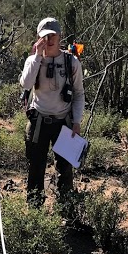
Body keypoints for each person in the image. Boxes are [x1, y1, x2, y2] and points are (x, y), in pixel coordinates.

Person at [19, 17, 85, 207]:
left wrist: (77, 121)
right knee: (36, 167)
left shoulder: (71, 62)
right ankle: (35, 209)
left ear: (60, 36)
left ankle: (65, 209)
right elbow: (26, 83)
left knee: (64, 168)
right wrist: (38, 57)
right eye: (45, 36)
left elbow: (79, 93)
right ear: (39, 38)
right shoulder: (33, 60)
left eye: (52, 35)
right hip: (39, 120)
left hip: (63, 122)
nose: (49, 39)